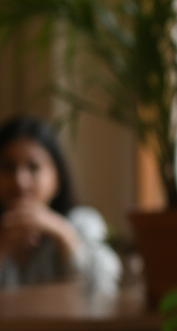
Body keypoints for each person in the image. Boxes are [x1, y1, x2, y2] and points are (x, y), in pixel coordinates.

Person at [0, 114, 121, 292]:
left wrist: (63, 234)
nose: (20, 181)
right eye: (8, 167)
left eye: (33, 167)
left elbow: (105, 291)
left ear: (57, 178)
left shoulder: (83, 223)